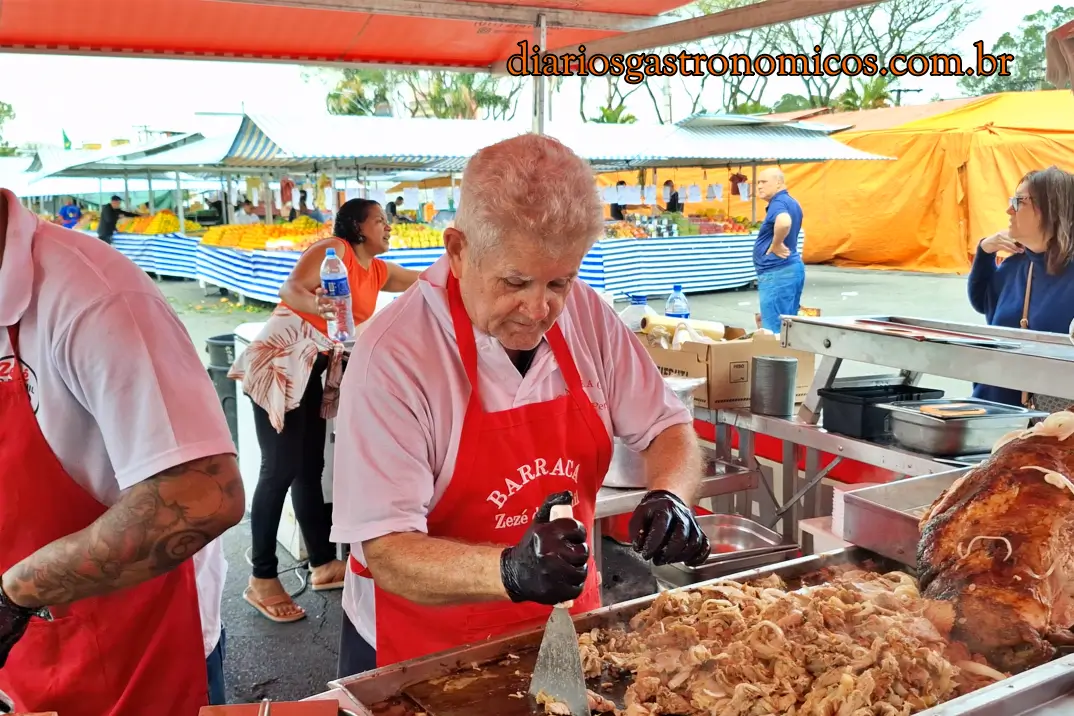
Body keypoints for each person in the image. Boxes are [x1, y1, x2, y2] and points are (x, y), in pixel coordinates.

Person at [330, 134, 710, 677]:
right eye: (515, 281)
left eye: (561, 280)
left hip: (567, 626)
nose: (540, 309)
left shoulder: (588, 317)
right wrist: (511, 571)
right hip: (425, 650)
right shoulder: (393, 354)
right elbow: (388, 550)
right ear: (458, 250)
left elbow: (667, 426)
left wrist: (671, 494)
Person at [0, 188, 244, 713]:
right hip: (24, 654)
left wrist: (11, 596)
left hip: (139, 650)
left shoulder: (95, 296)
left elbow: (202, 496)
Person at [229, 199, 420, 623]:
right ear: (356, 226)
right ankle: (261, 578)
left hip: (315, 369)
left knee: (309, 467)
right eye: (379, 221)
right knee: (278, 469)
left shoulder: (377, 270)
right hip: (282, 363)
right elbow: (291, 288)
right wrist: (315, 306)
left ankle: (321, 563)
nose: (388, 227)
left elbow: (424, 279)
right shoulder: (335, 250)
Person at [969, 166, 1074, 407]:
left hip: (1051, 427)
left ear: (1051, 209)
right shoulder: (1015, 265)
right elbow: (983, 302)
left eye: (1018, 201)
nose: (1009, 209)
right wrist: (984, 252)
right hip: (990, 412)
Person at [753, 168, 805, 333]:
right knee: (787, 327)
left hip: (777, 272)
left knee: (774, 331)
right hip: (788, 270)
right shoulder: (792, 202)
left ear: (779, 183)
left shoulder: (778, 203)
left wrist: (776, 244)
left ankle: (777, 357)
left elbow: (784, 222)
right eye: (758, 182)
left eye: (764, 182)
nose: (759, 186)